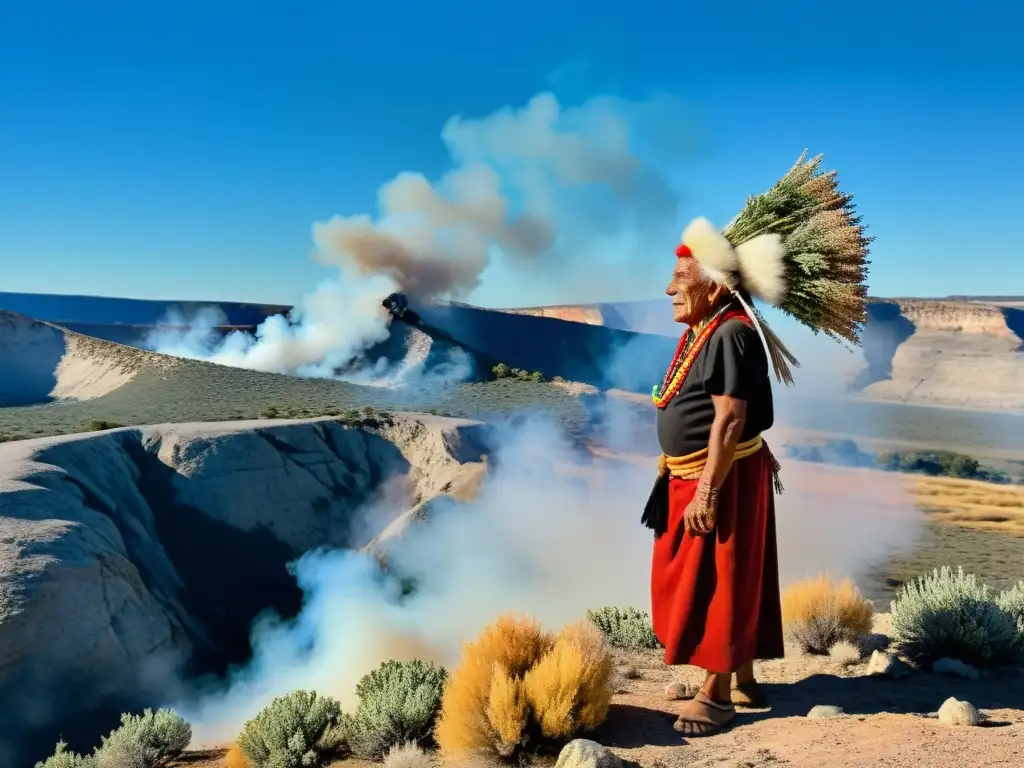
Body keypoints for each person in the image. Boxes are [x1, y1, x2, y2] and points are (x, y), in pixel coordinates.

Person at [644, 217, 786, 737]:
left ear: (716, 283)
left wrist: (708, 488)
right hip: (702, 474)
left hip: (720, 477)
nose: (669, 288)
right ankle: (743, 675)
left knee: (720, 577)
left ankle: (718, 696)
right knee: (720, 572)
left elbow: (729, 418)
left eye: (681, 276)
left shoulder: (729, 333)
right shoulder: (708, 329)